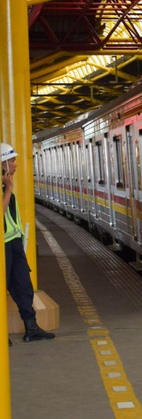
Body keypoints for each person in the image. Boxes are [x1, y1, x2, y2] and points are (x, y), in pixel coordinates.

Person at [2, 142, 55, 343]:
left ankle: (31, 328)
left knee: (23, 286)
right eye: (12, 160)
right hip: (3, 246)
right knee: (2, 287)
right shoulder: (5, 187)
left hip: (14, 244)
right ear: (3, 163)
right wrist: (8, 188)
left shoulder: (6, 185)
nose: (15, 164)